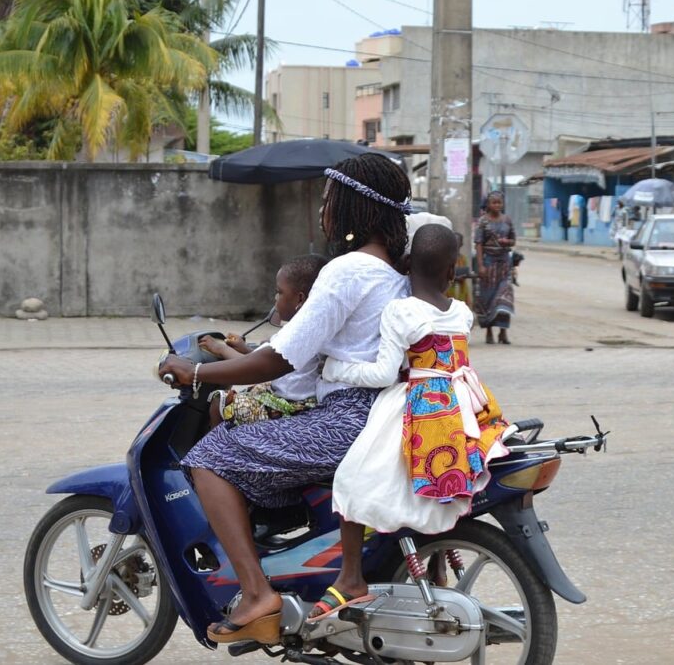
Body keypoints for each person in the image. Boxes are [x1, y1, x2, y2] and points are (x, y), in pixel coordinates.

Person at [157, 153, 412, 645]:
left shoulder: (347, 271)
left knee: (209, 458)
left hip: (345, 419)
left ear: (353, 206)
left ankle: (257, 596)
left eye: (328, 200)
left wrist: (197, 371)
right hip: (382, 414)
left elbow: (280, 358)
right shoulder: (394, 272)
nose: (323, 211)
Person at [310, 224, 510, 620]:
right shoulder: (462, 313)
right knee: (423, 491)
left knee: (352, 480)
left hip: (418, 406)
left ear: (404, 266)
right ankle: (435, 568)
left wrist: (335, 368)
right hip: (460, 407)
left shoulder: (401, 310)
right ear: (452, 273)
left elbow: (384, 374)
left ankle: (350, 578)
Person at [199, 254, 329, 427]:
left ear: (300, 299)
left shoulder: (297, 334)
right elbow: (266, 358)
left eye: (279, 292)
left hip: (289, 407)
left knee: (220, 403)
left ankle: (216, 451)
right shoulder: (308, 328)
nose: (276, 298)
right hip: (290, 396)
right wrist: (244, 347)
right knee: (251, 391)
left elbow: (251, 366)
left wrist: (220, 348)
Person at [473, 191, 515, 345]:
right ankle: (489, 331)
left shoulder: (507, 220)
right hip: (489, 263)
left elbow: (513, 240)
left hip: (504, 264)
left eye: (499, 202)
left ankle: (503, 332)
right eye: (494, 202)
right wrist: (481, 265)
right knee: (488, 298)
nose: (497, 205)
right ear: (488, 204)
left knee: (504, 297)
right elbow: (478, 244)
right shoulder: (483, 222)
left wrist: (507, 242)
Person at [444, 231, 472, 307]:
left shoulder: (463, 258)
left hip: (461, 289)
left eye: (458, 241)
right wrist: (455, 278)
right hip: (449, 289)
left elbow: (464, 272)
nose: (456, 243)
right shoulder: (446, 258)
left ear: (461, 244)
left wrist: (467, 275)